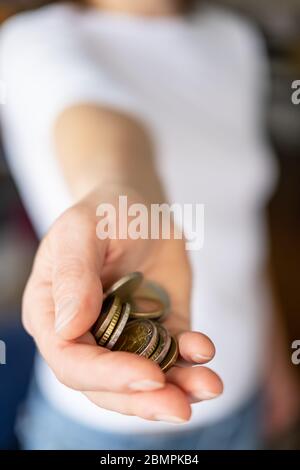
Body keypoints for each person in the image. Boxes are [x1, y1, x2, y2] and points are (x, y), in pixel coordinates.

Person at [0, 0, 298, 450]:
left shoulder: (233, 39)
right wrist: (120, 191)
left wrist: (272, 356)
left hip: (240, 398)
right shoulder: (34, 41)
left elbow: (241, 224)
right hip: (104, 428)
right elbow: (98, 124)